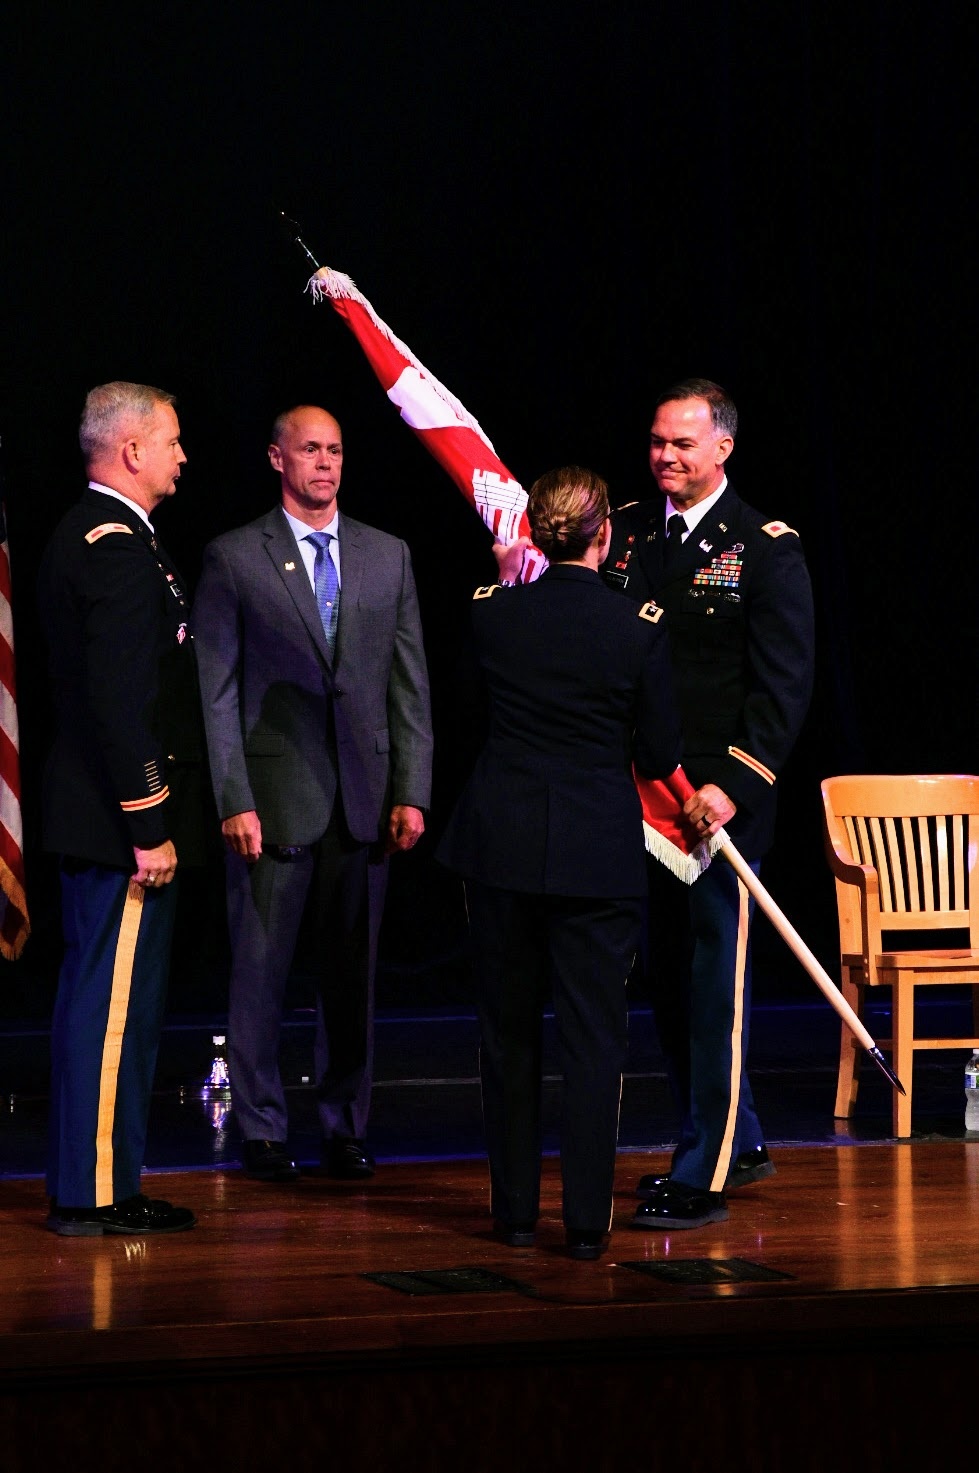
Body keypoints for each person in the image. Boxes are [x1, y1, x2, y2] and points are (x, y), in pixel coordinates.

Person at [498, 379, 815, 1231]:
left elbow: (781, 691)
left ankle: (705, 1168)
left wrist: (733, 785)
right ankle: (731, 1137)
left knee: (714, 984)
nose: (664, 456)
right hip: (632, 801)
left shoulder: (764, 547)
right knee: (669, 985)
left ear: (722, 448)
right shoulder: (628, 529)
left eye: (681, 443)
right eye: (655, 441)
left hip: (714, 806)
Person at [438, 466, 683, 1259]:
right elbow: (659, 751)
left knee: (507, 1037)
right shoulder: (637, 624)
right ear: (604, 535)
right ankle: (583, 1225)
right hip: (594, 855)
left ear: (535, 535)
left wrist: (505, 588)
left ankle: (512, 1215)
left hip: (500, 845)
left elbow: (466, 716)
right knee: (592, 1040)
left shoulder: (489, 616)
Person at [193, 405, 433, 1183]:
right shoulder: (234, 557)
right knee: (259, 974)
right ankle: (263, 1128)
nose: (324, 463)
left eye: (334, 449)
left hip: (364, 801)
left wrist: (413, 789)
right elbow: (216, 691)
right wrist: (233, 795)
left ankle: (344, 1125)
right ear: (276, 458)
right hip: (272, 799)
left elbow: (409, 685)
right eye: (309, 450)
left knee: (351, 979)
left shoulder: (387, 555)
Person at [39, 381, 203, 1236]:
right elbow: (120, 700)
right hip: (114, 823)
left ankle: (98, 1180)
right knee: (109, 1012)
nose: (183, 456)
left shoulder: (111, 537)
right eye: (172, 440)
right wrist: (149, 820)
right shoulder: (113, 547)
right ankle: (94, 1191)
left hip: (98, 817)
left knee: (106, 1007)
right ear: (132, 450)